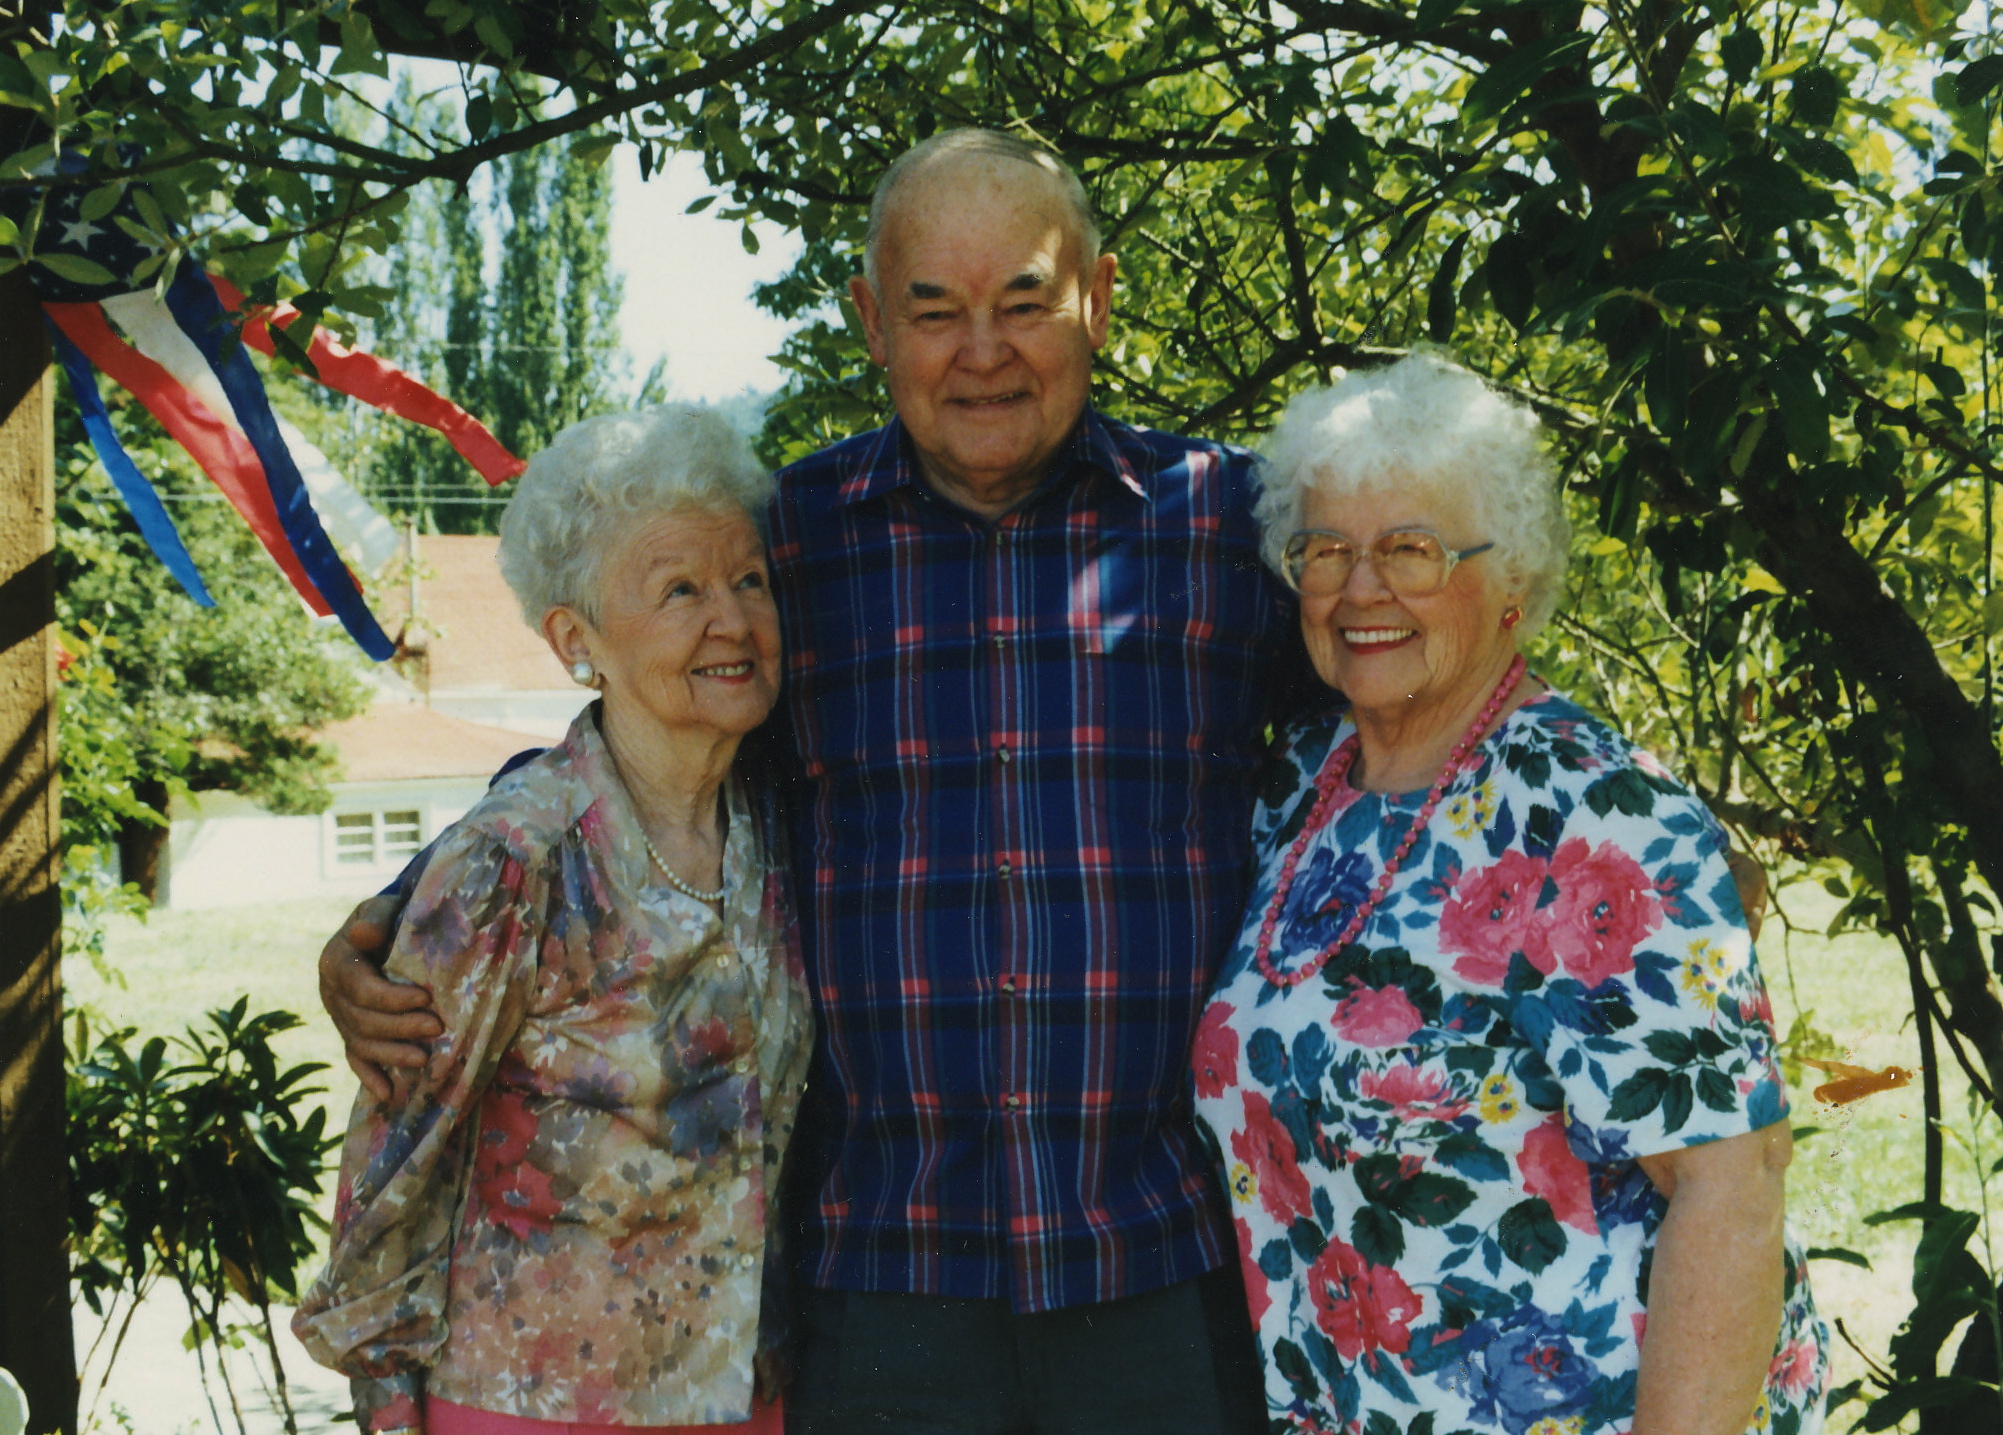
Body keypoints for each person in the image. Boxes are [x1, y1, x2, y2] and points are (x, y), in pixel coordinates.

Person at [318, 132, 1765, 1435]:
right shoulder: (793, 545)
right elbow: (647, 740)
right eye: (933, 311)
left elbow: (1425, 700)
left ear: (1098, 302)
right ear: (869, 322)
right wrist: (403, 909)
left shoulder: (1225, 532)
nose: (982, 352)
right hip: (884, 1276)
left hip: (1158, 1273)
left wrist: (1663, 878)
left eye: (1022, 301)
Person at [1192, 356, 1825, 1435]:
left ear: (1512, 580)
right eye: (1326, 550)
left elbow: (1729, 1185)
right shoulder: (1301, 785)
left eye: (1411, 549)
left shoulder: (1595, 813)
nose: (1360, 588)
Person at [292, 408, 814, 1435]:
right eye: (679, 590)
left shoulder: (780, 825)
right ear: (578, 642)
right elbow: (397, 1164)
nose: (731, 619)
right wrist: (387, 1412)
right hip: (534, 1404)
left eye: (748, 579)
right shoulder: (514, 858)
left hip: (745, 1393)